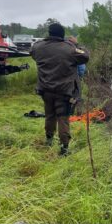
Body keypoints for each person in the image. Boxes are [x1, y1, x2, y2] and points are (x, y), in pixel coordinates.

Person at [31, 23, 89, 156]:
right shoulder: (69, 48)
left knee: (50, 115)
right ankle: (64, 149)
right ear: (62, 35)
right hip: (64, 91)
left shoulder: (38, 47)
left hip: (45, 90)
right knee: (63, 118)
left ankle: (49, 140)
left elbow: (33, 53)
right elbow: (85, 57)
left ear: (49, 33)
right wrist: (77, 44)